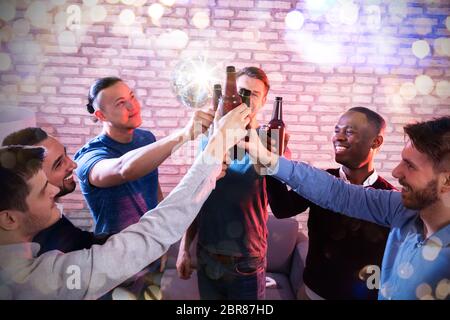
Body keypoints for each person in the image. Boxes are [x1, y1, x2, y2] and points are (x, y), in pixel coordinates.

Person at [0, 104, 250, 300]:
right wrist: (212, 145)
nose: (55, 189)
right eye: (44, 188)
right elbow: (125, 172)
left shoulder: (42, 238)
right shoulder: (35, 280)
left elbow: (102, 243)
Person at [243, 116, 450, 300]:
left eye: (410, 166)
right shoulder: (400, 208)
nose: (396, 172)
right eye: (337, 130)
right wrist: (270, 160)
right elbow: (336, 193)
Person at [266, 107, 396, 300]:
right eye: (337, 131)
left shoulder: (389, 198)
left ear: (376, 141)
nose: (339, 137)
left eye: (349, 131)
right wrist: (272, 162)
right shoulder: (321, 182)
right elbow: (283, 209)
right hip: (313, 294)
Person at [176, 67, 271, 300]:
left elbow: (285, 179)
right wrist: (183, 249)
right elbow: (197, 198)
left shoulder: (270, 142)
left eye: (254, 93)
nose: (246, 98)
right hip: (207, 256)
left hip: (246, 262)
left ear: (264, 100)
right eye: (241, 92)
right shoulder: (210, 141)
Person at [2, 128, 108, 256]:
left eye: (65, 155)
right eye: (58, 164)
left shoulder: (51, 218)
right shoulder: (37, 229)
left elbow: (83, 242)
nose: (73, 165)